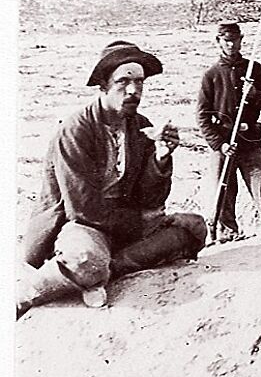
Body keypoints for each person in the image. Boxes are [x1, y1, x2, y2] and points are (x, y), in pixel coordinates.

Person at [17, 41, 207, 317]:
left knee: (194, 229)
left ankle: (107, 270)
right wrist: (141, 221)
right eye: (123, 82)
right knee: (86, 259)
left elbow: (149, 197)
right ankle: (24, 295)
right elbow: (82, 209)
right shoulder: (75, 130)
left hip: (123, 226)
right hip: (81, 225)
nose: (133, 91)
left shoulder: (139, 126)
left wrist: (160, 159)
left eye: (139, 83)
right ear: (103, 85)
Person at [197, 21, 261, 241]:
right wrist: (219, 144)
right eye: (226, 41)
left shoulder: (253, 69)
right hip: (224, 145)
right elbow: (202, 116)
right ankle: (226, 239)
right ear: (218, 42)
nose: (231, 45)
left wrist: (254, 95)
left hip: (250, 143)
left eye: (235, 40)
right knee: (222, 200)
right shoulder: (210, 75)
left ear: (241, 41)